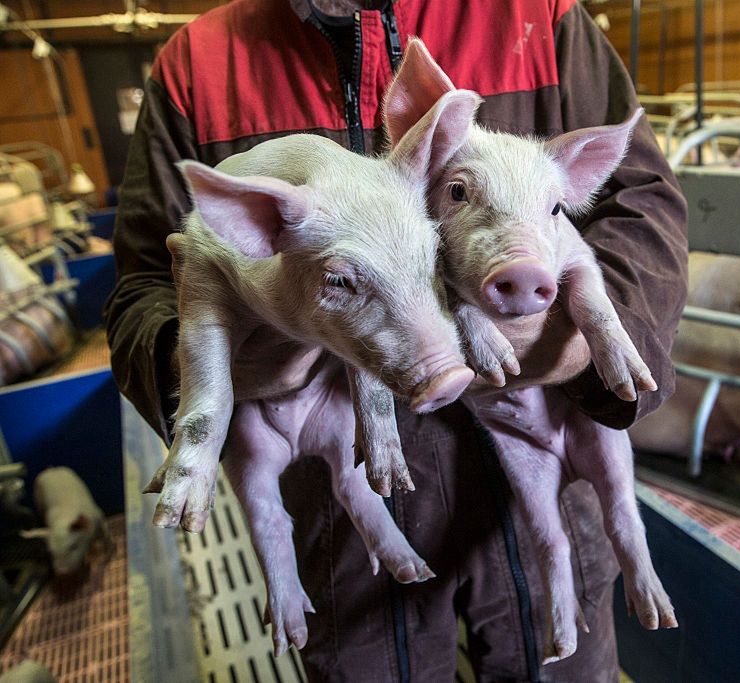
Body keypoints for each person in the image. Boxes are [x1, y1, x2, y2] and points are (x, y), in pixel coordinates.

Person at [104, 0, 689, 680]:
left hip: (541, 480)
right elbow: (145, 281)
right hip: (344, 518)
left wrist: (586, 344)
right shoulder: (196, 66)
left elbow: (642, 202)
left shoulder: (538, 14)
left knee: (556, 656)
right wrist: (221, 361)